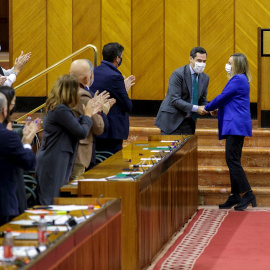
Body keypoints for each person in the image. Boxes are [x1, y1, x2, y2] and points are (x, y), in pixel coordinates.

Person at [35, 74, 101, 205]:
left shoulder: (58, 107)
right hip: (54, 159)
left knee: (56, 196)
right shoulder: (60, 109)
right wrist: (87, 115)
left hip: (55, 157)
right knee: (51, 199)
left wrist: (87, 116)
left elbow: (73, 125)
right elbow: (81, 132)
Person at [204, 53, 256, 211]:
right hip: (237, 125)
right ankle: (235, 195)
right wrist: (217, 110)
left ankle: (247, 194)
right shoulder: (242, 80)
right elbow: (230, 101)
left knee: (232, 160)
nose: (228, 65)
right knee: (233, 159)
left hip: (236, 126)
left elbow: (223, 97)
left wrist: (207, 107)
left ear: (238, 65)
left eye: (230, 63)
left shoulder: (237, 79)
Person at [90, 42, 135, 155]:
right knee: (112, 165)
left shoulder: (94, 72)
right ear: (117, 59)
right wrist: (125, 90)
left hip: (95, 125)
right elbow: (127, 106)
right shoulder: (115, 76)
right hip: (111, 131)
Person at [0, 92, 37, 225]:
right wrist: (27, 141)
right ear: (4, 111)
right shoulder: (8, 137)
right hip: (4, 204)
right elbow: (28, 163)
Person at [69, 59, 110, 179]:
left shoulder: (63, 91)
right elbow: (98, 128)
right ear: (88, 77)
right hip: (79, 153)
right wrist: (101, 110)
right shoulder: (83, 95)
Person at [155, 47, 209, 135]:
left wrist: (209, 109)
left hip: (190, 122)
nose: (202, 64)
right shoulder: (178, 74)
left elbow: (202, 100)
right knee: (171, 148)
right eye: (199, 60)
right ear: (190, 59)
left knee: (187, 148)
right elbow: (175, 100)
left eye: (204, 61)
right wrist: (196, 108)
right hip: (172, 120)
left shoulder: (205, 78)